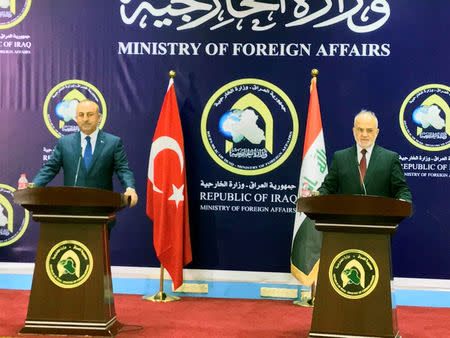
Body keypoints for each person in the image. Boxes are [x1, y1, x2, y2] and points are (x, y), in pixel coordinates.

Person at [32, 99, 138, 231]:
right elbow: (50, 168)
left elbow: (123, 169)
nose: (85, 119)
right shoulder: (64, 142)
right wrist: (34, 186)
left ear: (98, 117)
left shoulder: (113, 142)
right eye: (81, 115)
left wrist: (130, 188)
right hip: (71, 213)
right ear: (76, 118)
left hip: (101, 213)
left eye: (90, 114)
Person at [318, 110, 412, 202]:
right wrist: (317, 195)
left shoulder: (390, 158)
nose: (364, 134)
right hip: (347, 216)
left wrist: (404, 199)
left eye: (369, 130)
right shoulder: (340, 157)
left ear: (377, 132)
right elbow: (328, 187)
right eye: (360, 130)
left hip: (379, 216)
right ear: (354, 131)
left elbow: (401, 189)